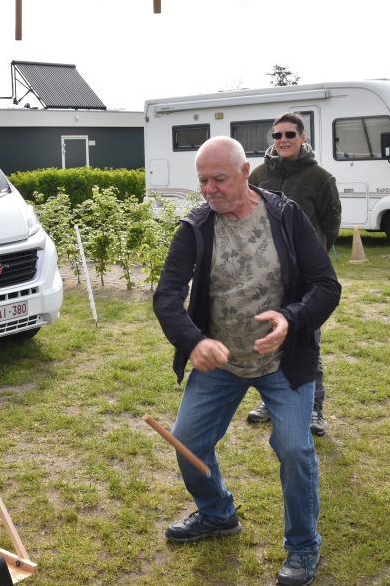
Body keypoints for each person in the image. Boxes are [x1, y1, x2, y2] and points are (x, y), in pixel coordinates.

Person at [152, 137, 341, 586]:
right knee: (187, 441)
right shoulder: (195, 228)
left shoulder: (286, 216)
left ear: (245, 172)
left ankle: (302, 546)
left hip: (284, 361)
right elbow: (166, 296)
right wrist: (194, 340)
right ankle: (217, 512)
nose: (209, 189)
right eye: (202, 180)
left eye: (219, 178)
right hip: (221, 362)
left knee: (295, 449)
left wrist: (291, 319)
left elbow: (326, 285)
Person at [245, 112, 341, 436]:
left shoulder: (320, 178)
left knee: (306, 342)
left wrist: (314, 265)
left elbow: (330, 226)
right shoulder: (258, 175)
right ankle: (270, 402)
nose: (282, 140)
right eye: (277, 135)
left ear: (303, 137)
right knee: (267, 340)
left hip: (305, 281)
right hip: (265, 276)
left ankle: (314, 409)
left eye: (289, 134)